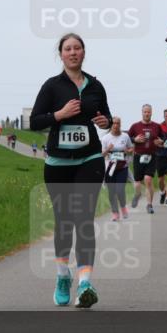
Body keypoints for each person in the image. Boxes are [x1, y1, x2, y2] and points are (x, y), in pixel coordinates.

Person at [30, 33, 112, 308]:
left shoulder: (95, 85)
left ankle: (85, 282)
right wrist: (59, 115)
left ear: (83, 52)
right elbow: (34, 122)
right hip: (58, 163)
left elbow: (106, 116)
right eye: (68, 49)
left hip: (90, 158)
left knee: (84, 220)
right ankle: (63, 275)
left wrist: (104, 121)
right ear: (61, 54)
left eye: (77, 48)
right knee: (64, 221)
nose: (73, 52)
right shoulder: (52, 86)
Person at [128, 105, 164, 214]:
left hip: (152, 156)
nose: (147, 114)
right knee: (138, 182)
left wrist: (160, 142)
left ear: (151, 113)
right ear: (142, 112)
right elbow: (127, 138)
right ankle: (138, 194)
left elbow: (163, 139)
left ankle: (149, 205)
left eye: (148, 112)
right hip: (138, 156)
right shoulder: (135, 126)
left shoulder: (156, 126)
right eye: (145, 112)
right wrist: (135, 139)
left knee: (148, 180)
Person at [101, 117, 134, 222]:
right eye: (114, 123)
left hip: (122, 168)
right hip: (110, 169)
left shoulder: (125, 136)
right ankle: (115, 213)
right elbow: (102, 154)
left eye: (118, 123)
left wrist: (127, 151)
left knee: (120, 190)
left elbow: (131, 148)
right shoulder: (105, 138)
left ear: (120, 124)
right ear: (111, 125)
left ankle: (123, 208)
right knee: (111, 192)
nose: (116, 125)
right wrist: (108, 149)